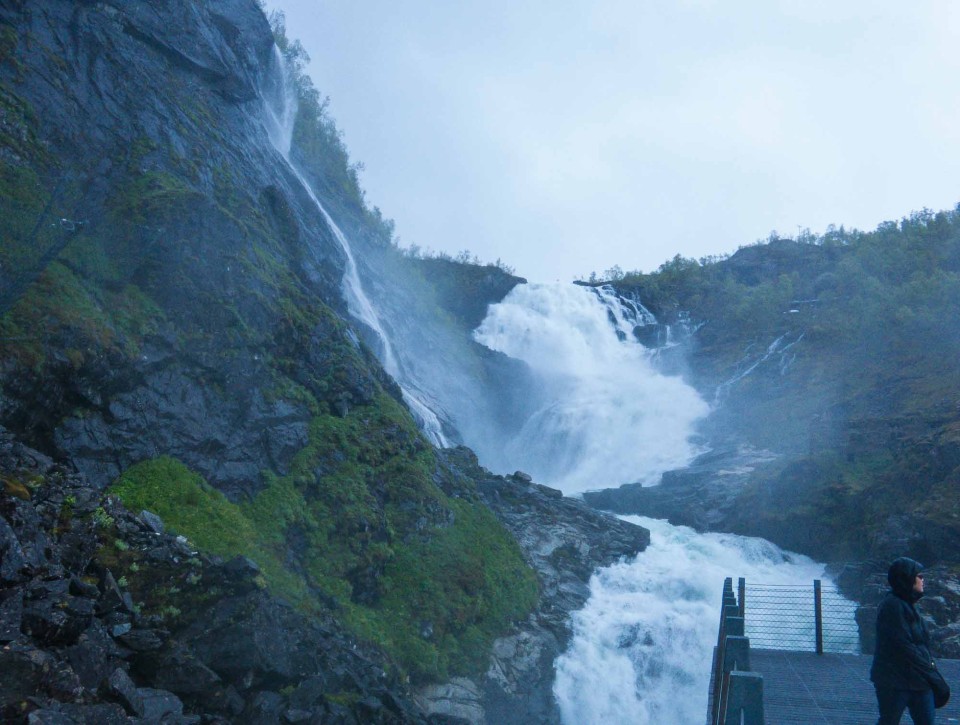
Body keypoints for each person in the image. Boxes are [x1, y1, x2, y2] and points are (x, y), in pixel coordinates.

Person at [870, 557, 936, 724]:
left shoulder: (907, 603)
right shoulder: (893, 606)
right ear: (907, 578)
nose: (923, 580)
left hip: (916, 679)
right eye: (919, 576)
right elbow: (903, 644)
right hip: (895, 680)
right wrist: (928, 666)